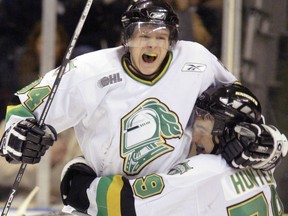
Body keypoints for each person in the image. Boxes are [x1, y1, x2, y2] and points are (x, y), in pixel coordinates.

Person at [0, 0, 286, 211]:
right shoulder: (89, 71)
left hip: (149, 197)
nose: (152, 45)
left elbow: (235, 104)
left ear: (172, 41)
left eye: (160, 38)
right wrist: (18, 132)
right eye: (143, 36)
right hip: (124, 195)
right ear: (127, 40)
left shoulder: (196, 61)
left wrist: (77, 186)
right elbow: (26, 104)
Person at [59, 84, 287, 215]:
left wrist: (75, 178)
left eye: (202, 128)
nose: (193, 137)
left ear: (229, 133)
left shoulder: (203, 171)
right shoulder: (262, 166)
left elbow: (121, 203)